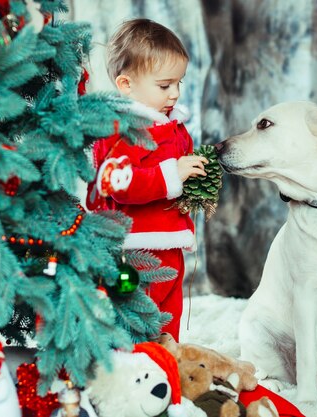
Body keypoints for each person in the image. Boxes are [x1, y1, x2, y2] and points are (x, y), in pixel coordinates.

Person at [86, 18, 207, 341]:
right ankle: (135, 369)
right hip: (136, 248)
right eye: (165, 85)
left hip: (170, 242)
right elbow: (118, 184)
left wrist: (196, 183)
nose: (176, 94)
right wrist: (172, 175)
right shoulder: (123, 129)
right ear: (126, 85)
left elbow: (182, 171)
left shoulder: (172, 126)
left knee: (170, 311)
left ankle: (168, 363)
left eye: (179, 83)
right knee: (138, 313)